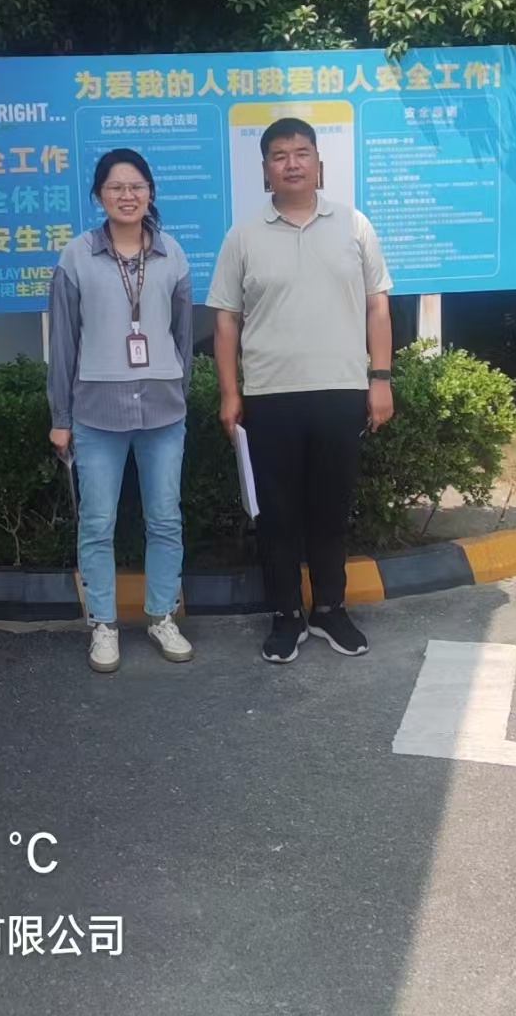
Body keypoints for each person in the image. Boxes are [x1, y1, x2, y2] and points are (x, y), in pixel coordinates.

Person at [206, 117, 394, 663]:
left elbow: (378, 306)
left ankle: (330, 609)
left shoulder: (354, 225)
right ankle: (286, 615)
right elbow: (225, 320)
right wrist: (229, 392)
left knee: (331, 508)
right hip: (270, 395)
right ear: (265, 170)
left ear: (319, 163)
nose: (292, 163)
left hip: (341, 391)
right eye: (280, 155)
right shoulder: (243, 236)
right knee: (278, 513)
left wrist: (380, 379)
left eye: (302, 152)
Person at [47, 148, 195, 673]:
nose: (127, 195)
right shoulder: (75, 256)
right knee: (97, 522)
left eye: (136, 186)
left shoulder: (172, 255)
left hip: (163, 412)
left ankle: (161, 615)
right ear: (99, 195)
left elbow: (183, 335)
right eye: (115, 187)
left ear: (150, 192)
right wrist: (60, 417)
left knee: (165, 519)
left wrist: (181, 392)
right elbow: (63, 342)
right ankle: (103, 625)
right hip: (96, 413)